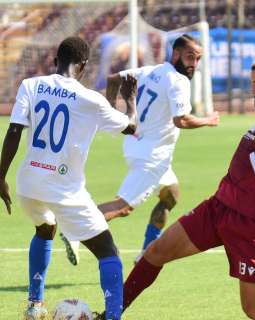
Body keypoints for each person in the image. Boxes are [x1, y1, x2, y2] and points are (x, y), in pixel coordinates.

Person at [111, 57, 255, 320]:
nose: (253, 89)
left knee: (254, 309)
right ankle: (112, 314)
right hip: (219, 208)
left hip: (252, 226)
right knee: (156, 252)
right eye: (252, 83)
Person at [0, 36, 137, 320]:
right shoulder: (90, 99)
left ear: (55, 61)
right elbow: (130, 127)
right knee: (108, 251)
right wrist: (130, 101)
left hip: (27, 184)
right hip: (64, 189)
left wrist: (1, 177)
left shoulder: (31, 85)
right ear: (83, 65)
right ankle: (113, 316)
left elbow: (14, 130)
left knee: (44, 227)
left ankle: (35, 306)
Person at [60, 34, 219, 265]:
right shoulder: (178, 81)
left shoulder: (151, 71)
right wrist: (209, 120)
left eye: (198, 58)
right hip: (152, 157)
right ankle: (73, 228)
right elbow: (181, 120)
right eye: (190, 57)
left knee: (171, 195)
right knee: (122, 206)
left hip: (140, 147)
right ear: (175, 55)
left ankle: (147, 250)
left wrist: (115, 110)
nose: (194, 63)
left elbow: (113, 78)